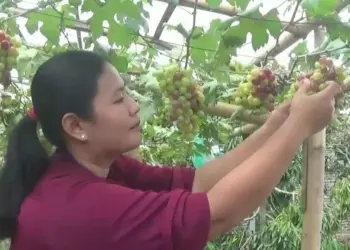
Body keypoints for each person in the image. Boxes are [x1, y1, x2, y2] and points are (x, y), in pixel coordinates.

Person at [0, 50, 340, 250]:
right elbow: (215, 215)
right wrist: (299, 127)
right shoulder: (79, 203)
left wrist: (276, 124)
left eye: (128, 94)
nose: (135, 107)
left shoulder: (108, 168)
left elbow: (200, 183)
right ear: (75, 127)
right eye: (119, 99)